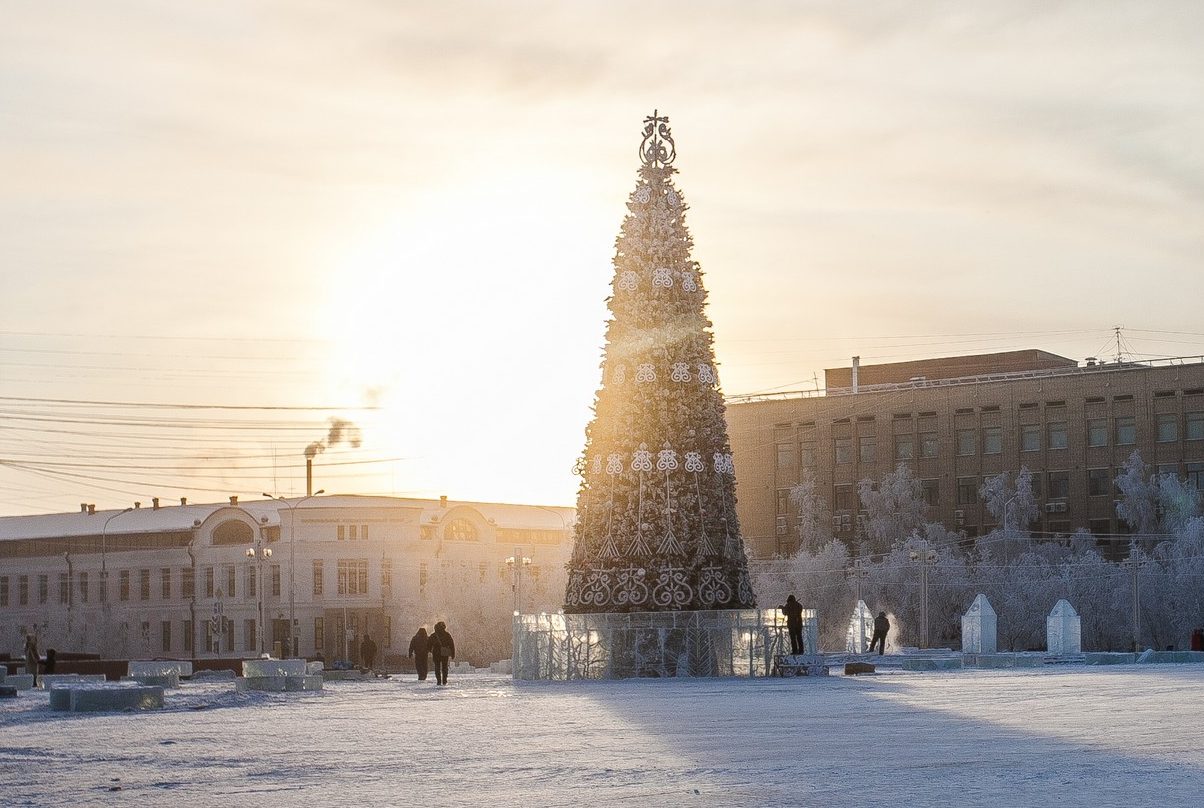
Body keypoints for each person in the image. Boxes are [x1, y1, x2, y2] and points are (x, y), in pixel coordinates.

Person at [429, 621, 455, 686]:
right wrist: (453, 653)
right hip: (444, 654)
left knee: (437, 667)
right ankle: (444, 680)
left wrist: (431, 650)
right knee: (444, 667)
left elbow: (428, 645)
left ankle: (438, 681)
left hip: (436, 654)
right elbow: (451, 644)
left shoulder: (433, 635)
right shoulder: (447, 635)